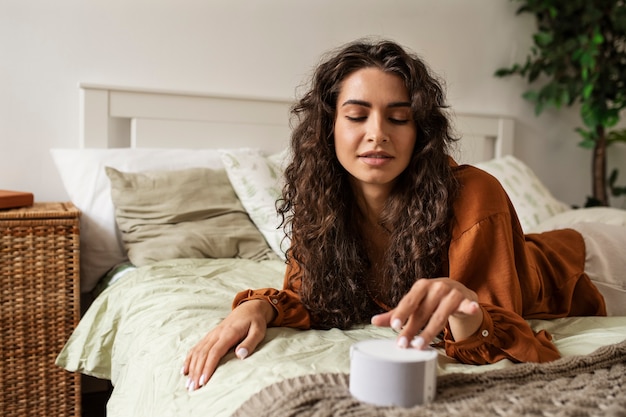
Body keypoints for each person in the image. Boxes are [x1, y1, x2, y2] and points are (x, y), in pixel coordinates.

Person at [182, 38, 626, 392]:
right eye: (356, 115)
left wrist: (464, 306)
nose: (377, 135)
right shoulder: (322, 203)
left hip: (594, 269)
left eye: (398, 118)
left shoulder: (474, 194)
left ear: (421, 133)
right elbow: (310, 297)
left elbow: (512, 335)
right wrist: (257, 309)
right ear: (329, 127)